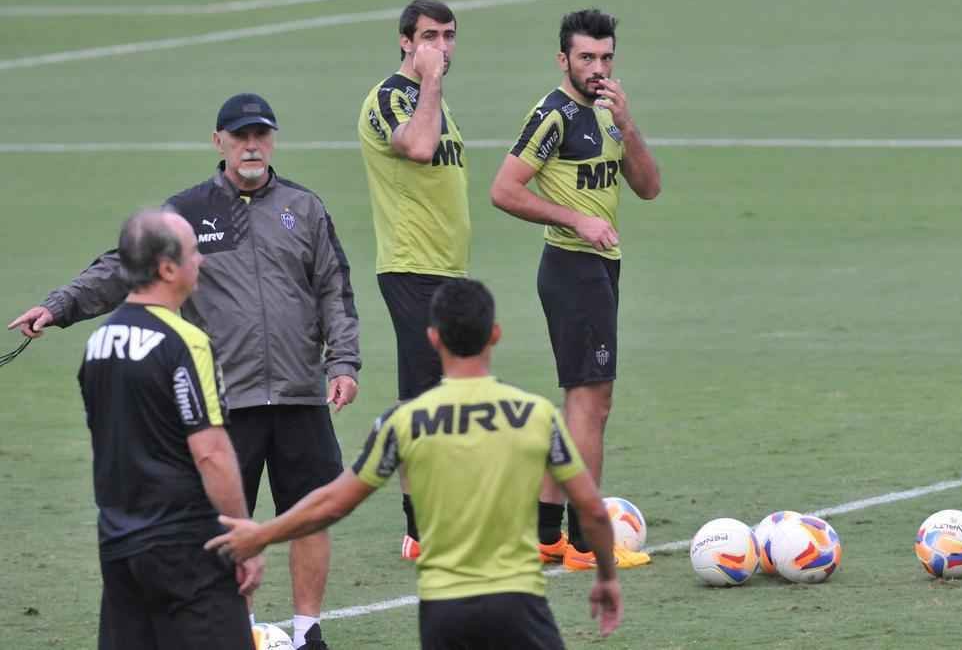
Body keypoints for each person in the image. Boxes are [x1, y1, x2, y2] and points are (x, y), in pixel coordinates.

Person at [8, 94, 360, 650]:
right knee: (225, 525)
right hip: (226, 399)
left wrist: (342, 362)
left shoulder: (305, 208)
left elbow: (334, 291)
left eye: (261, 135)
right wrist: (59, 306)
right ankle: (235, 630)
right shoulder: (187, 213)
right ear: (218, 141)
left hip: (299, 391)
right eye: (240, 135)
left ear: (273, 141)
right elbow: (120, 267)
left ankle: (308, 630)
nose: (252, 145)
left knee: (308, 514)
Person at [205, 279, 623, 649]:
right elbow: (591, 510)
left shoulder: (404, 423)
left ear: (433, 338)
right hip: (519, 606)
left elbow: (333, 503)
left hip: (444, 614)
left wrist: (262, 534)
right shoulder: (536, 416)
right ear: (494, 335)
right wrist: (605, 576)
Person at [490, 8, 660, 571]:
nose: (598, 67)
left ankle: (544, 536)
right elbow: (504, 190)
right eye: (587, 57)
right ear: (563, 59)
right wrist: (575, 219)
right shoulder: (553, 116)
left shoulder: (610, 113)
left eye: (606, 57)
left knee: (581, 406)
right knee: (593, 403)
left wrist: (629, 125)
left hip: (601, 268)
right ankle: (587, 545)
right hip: (572, 266)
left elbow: (649, 187)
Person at [80, 208, 263, 650]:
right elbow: (211, 453)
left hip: (120, 544)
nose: (201, 261)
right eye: (194, 253)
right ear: (166, 268)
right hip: (186, 548)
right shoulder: (185, 341)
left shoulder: (98, 343)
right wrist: (244, 538)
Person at [358, 0, 470, 561]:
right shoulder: (391, 98)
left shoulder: (436, 102)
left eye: (449, 36)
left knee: (447, 402)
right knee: (424, 405)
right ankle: (422, 531)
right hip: (410, 268)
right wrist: (429, 81)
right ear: (405, 41)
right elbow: (419, 149)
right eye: (430, 36)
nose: (441, 48)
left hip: (447, 269)